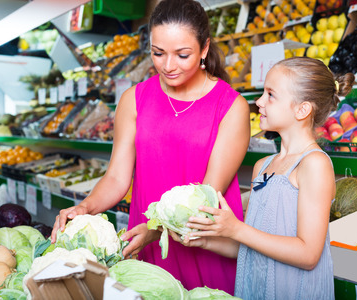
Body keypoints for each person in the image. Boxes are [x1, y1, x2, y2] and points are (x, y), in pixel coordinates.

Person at [51, 0, 250, 294]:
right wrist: (85, 207)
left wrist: (155, 230)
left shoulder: (231, 107)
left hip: (205, 246)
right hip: (148, 250)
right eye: (158, 53)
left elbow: (206, 196)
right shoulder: (134, 99)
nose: (168, 66)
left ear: (204, 49)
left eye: (182, 55)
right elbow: (117, 178)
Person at [179, 57, 355, 299]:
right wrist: (207, 241)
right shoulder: (263, 166)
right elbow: (253, 246)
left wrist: (237, 229)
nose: (259, 102)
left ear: (302, 109)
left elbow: (308, 255)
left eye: (271, 95)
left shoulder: (314, 164)